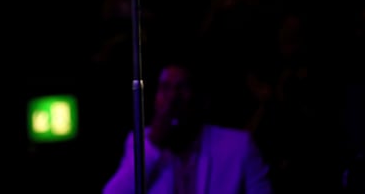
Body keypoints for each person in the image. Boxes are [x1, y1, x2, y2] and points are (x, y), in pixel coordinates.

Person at [102, 59, 274, 194]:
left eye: (181, 88)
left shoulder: (238, 146)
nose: (172, 98)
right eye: (165, 88)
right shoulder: (140, 142)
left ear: (200, 98)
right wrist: (153, 145)